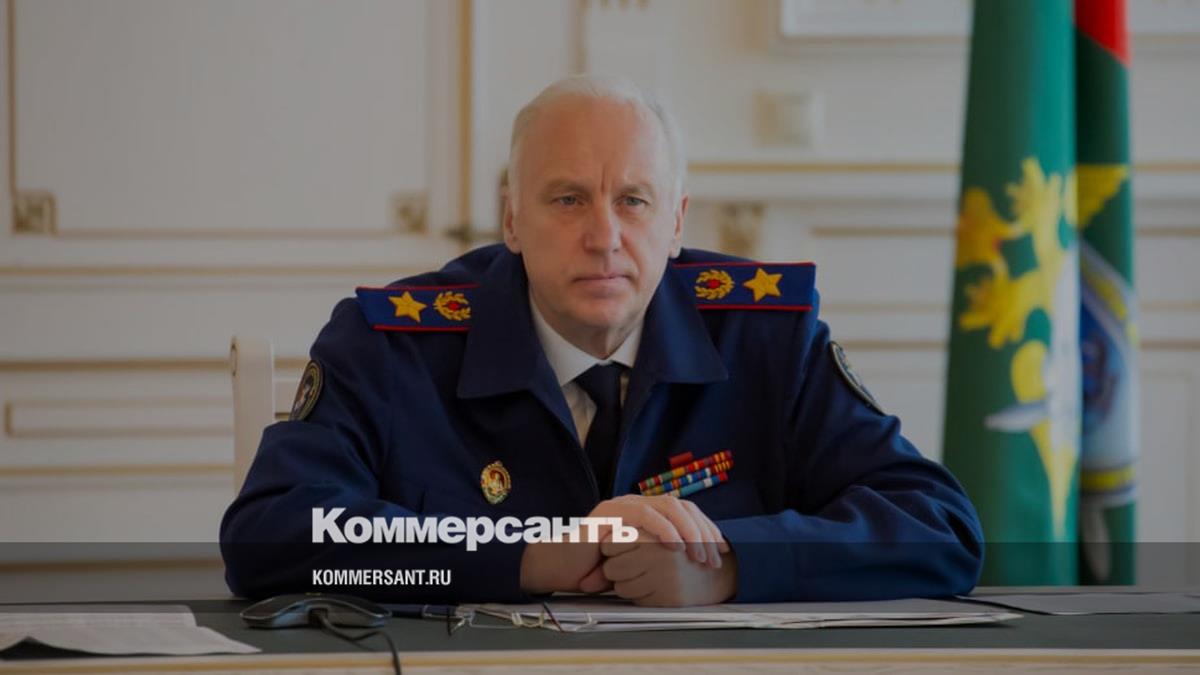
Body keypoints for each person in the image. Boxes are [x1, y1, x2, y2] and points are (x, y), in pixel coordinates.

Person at [221, 75, 983, 607]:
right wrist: (527, 552)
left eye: (634, 200)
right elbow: (271, 538)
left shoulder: (767, 339)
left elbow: (939, 528)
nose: (604, 236)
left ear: (676, 222)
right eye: (567, 199)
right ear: (511, 218)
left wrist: (729, 564)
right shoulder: (392, 346)